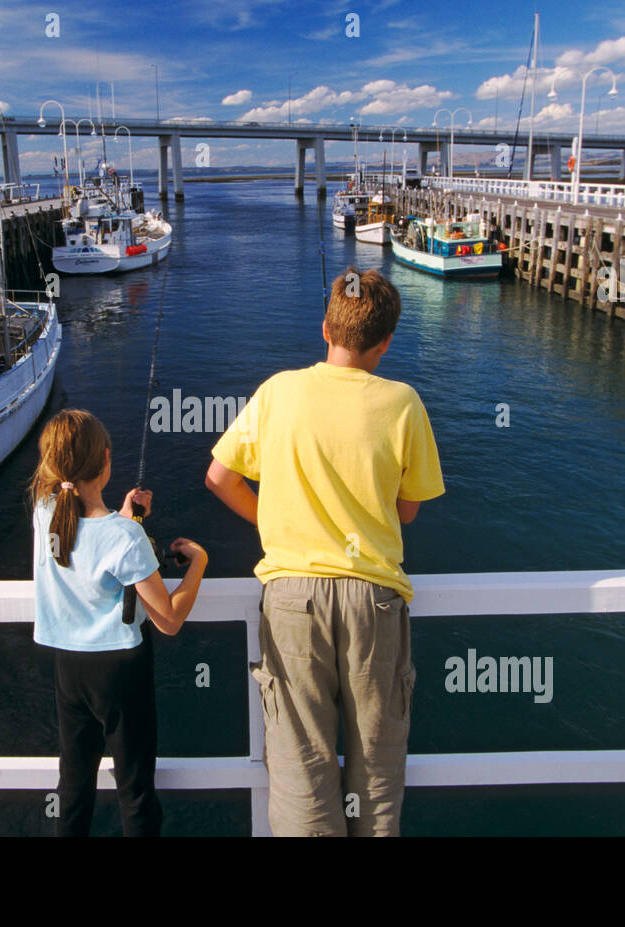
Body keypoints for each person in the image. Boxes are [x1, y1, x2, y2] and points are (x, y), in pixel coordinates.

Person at [205, 268, 444, 837]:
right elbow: (409, 510)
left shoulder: (277, 391)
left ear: (324, 329)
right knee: (377, 769)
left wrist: (276, 518)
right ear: (385, 342)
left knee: (300, 766)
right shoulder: (403, 404)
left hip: (291, 601)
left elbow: (219, 477)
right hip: (374, 602)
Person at [30, 408, 208, 837]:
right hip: (120, 670)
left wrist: (125, 515)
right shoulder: (123, 538)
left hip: (68, 668)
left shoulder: (44, 511)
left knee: (73, 785)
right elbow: (168, 619)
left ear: (53, 464)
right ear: (107, 460)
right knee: (135, 790)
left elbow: (86, 537)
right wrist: (198, 564)